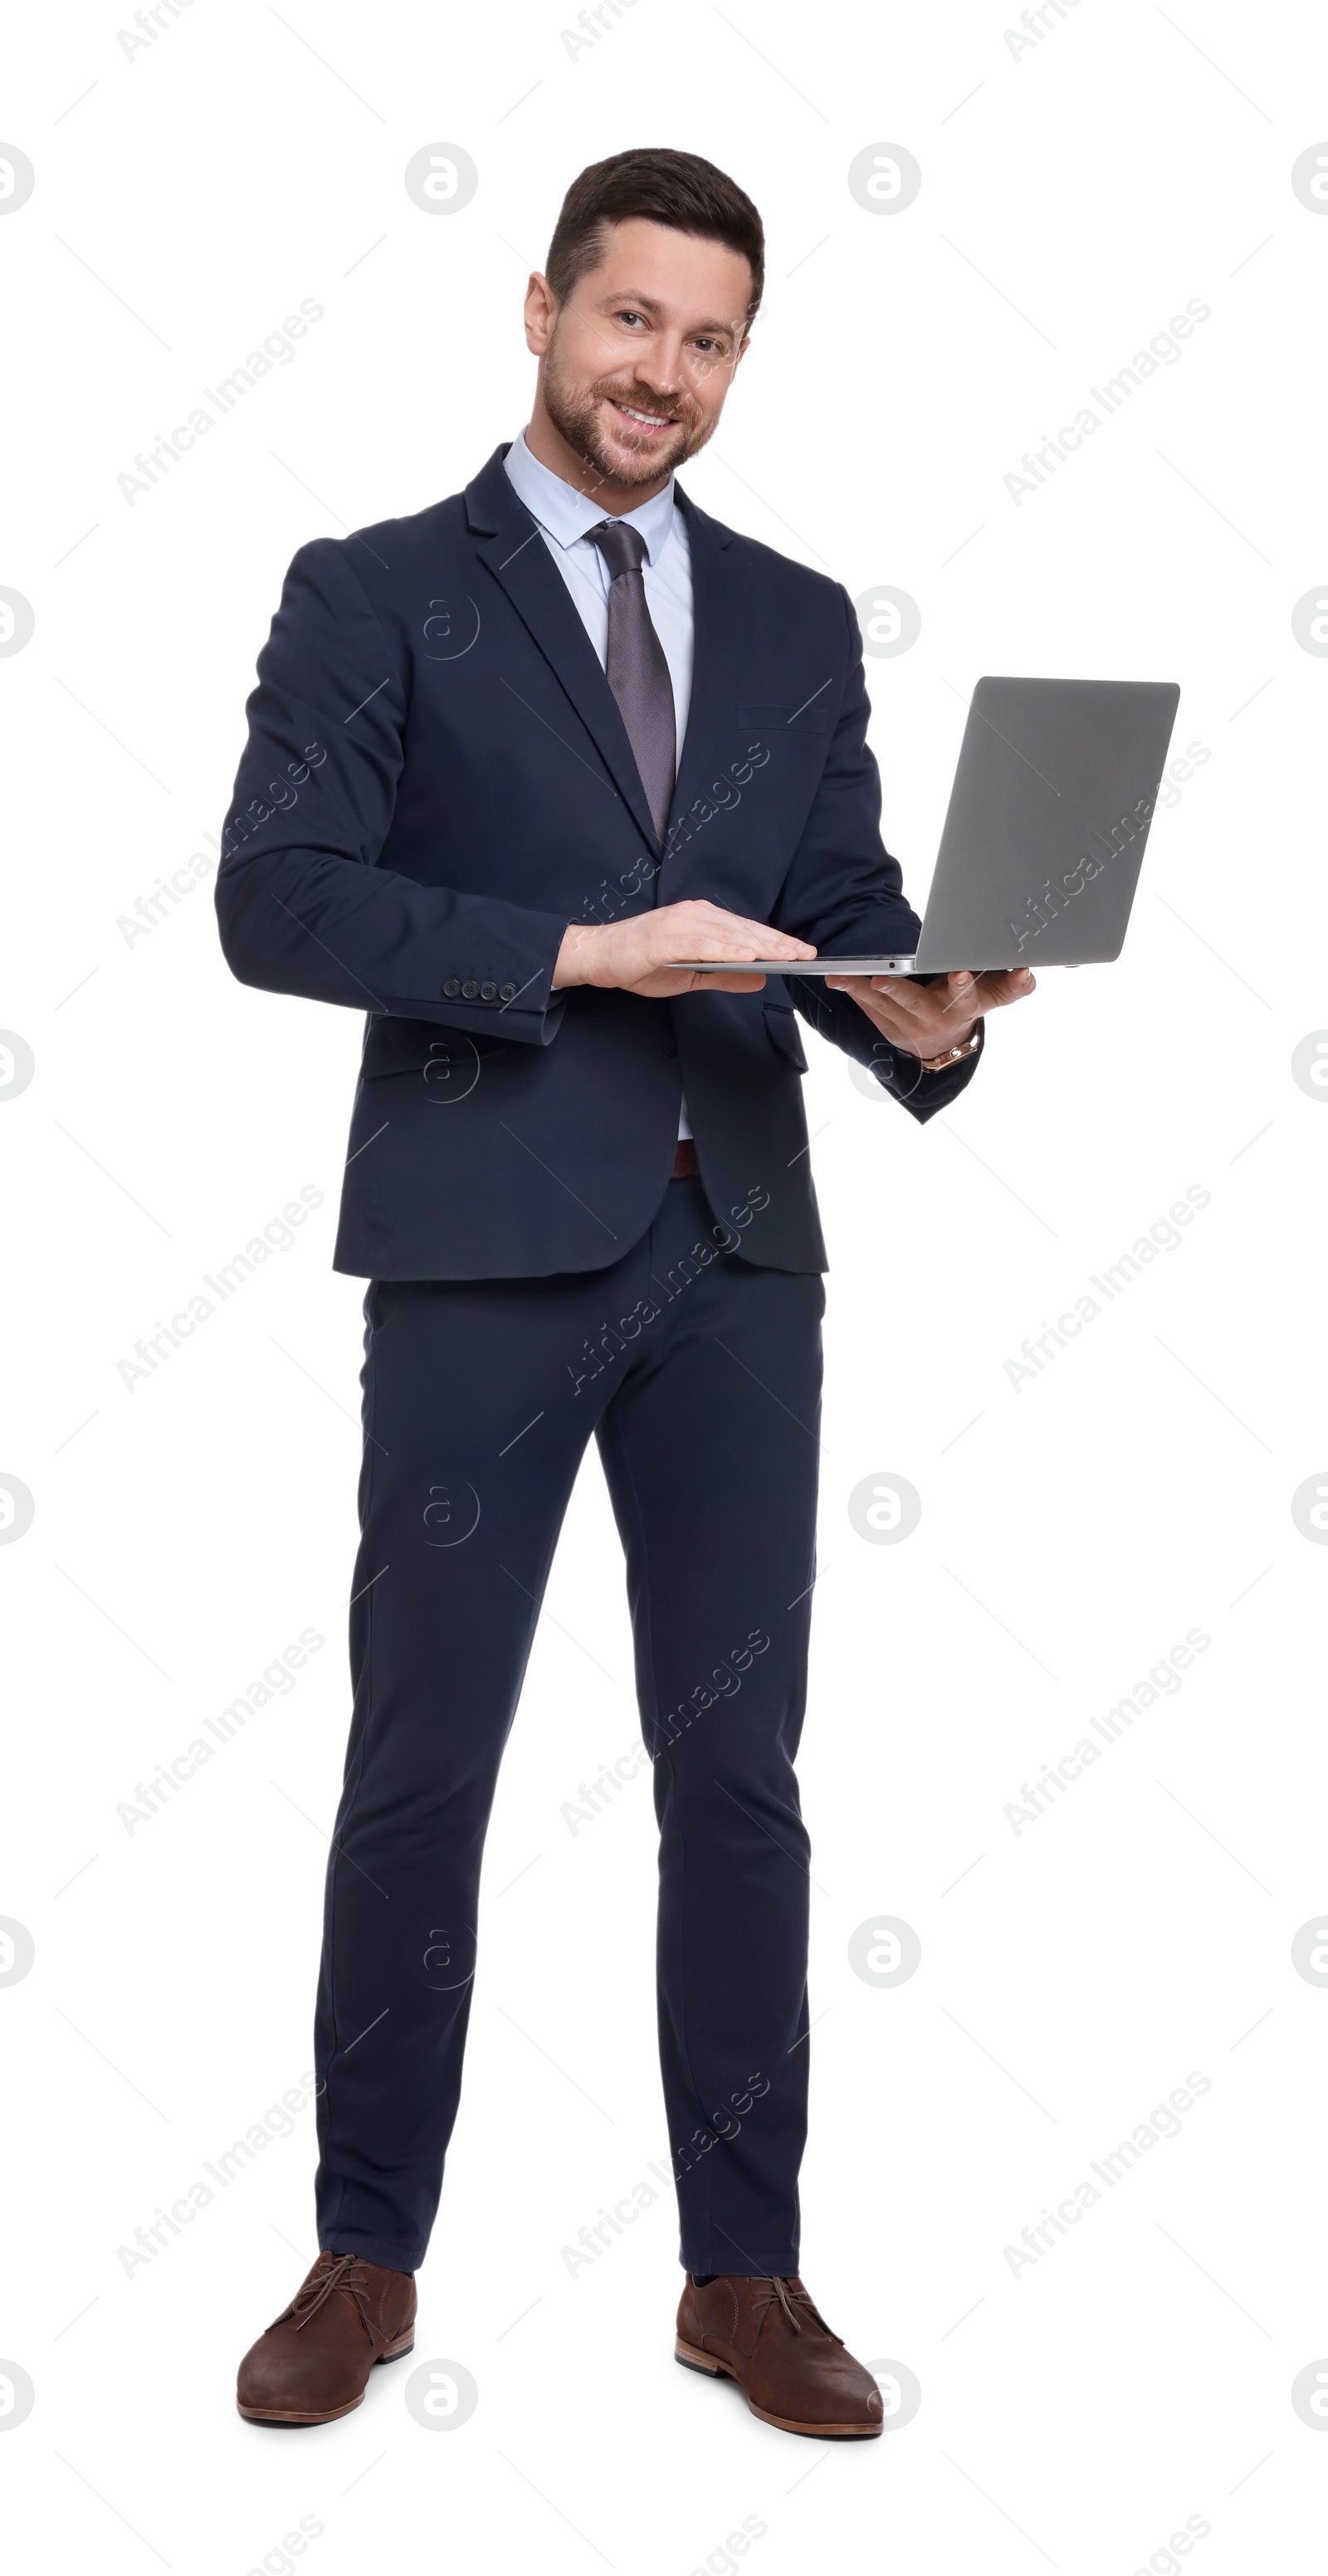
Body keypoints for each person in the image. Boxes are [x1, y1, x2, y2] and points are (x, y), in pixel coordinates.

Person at [217, 145, 1034, 2437]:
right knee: (425, 1767)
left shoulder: (789, 617)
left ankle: (743, 2273)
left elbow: (842, 897)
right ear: (544, 309)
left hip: (736, 1253)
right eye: (633, 320)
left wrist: (929, 1008)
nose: (665, 371)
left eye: (711, 338)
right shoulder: (378, 590)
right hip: (484, 1246)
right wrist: (581, 953)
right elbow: (278, 900)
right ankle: (364, 2252)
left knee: (739, 1777)